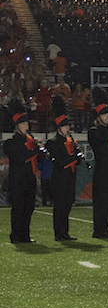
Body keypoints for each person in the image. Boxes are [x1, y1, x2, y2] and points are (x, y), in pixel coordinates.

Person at [3, 98, 41, 243]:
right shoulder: (10, 143)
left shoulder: (31, 141)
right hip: (17, 180)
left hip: (30, 179)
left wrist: (41, 151)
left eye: (27, 123)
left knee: (29, 208)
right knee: (18, 208)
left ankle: (25, 235)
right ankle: (15, 235)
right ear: (17, 126)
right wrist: (34, 149)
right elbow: (20, 157)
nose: (27, 126)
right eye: (24, 123)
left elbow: (40, 159)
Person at [46, 96, 81, 241]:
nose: (68, 128)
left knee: (67, 205)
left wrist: (78, 156)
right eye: (65, 126)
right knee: (59, 206)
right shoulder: (52, 142)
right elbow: (60, 161)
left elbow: (74, 161)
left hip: (70, 177)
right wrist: (74, 157)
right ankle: (58, 233)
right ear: (59, 127)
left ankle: (65, 232)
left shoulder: (70, 141)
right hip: (59, 178)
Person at [87, 88, 108, 238]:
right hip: (101, 170)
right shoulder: (94, 131)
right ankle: (98, 230)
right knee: (100, 201)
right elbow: (105, 136)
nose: (107, 117)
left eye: (107, 114)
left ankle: (105, 228)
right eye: (104, 115)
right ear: (98, 118)